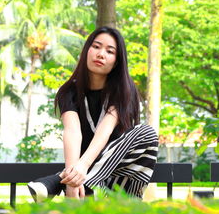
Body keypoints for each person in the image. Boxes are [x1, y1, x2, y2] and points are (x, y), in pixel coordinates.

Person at [27, 26, 158, 202]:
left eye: (109, 51)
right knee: (83, 180)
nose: (101, 54)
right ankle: (78, 182)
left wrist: (78, 171)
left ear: (117, 61)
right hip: (85, 190)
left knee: (146, 132)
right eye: (96, 47)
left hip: (121, 190)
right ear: (87, 50)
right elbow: (73, 132)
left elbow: (106, 129)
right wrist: (73, 186)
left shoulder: (125, 91)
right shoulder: (69, 92)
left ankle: (57, 181)